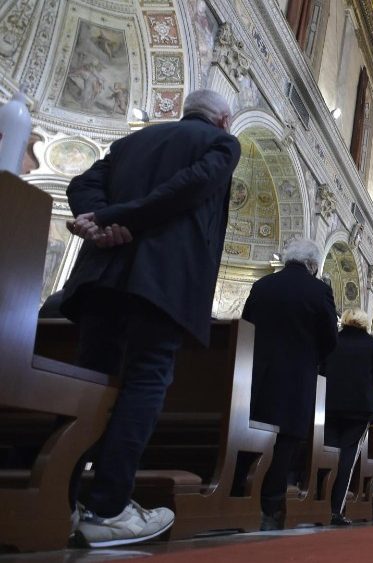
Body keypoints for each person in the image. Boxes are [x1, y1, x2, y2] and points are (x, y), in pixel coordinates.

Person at [60, 89, 240, 547]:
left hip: (102, 277)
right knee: (145, 382)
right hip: (162, 282)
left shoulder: (132, 143)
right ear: (223, 119)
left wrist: (99, 220)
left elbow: (81, 185)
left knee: (92, 385)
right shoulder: (221, 144)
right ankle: (107, 508)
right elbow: (189, 188)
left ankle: (66, 503)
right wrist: (119, 218)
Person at [242, 239, 339, 530]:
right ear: (313, 265)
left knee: (251, 432)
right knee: (287, 439)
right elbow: (330, 339)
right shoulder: (319, 290)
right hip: (297, 374)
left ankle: (239, 492)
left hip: (257, 373)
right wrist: (316, 359)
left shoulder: (263, 285)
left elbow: (246, 324)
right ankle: (271, 502)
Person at [322, 308, 373, 526]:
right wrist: (369, 395)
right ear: (364, 323)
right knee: (348, 456)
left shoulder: (332, 339)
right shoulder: (372, 344)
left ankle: (318, 504)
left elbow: (321, 369)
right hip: (360, 408)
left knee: (327, 452)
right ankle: (334, 510)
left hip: (329, 405)